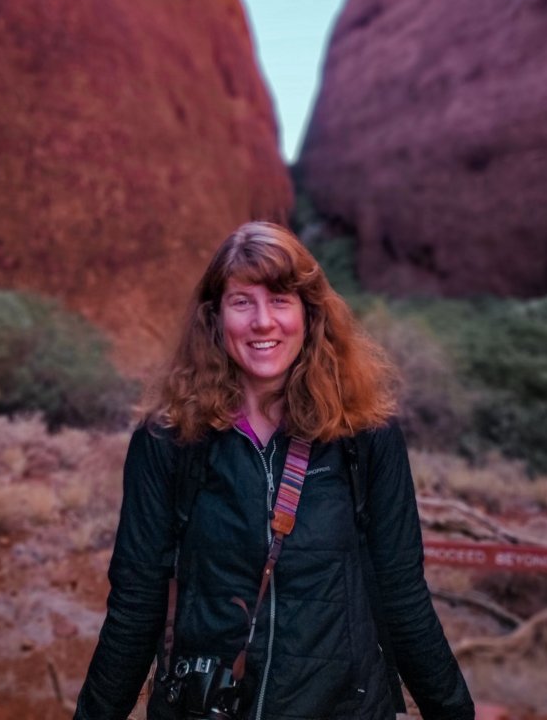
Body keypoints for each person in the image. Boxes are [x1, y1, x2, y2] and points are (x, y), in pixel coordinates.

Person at [74, 221, 474, 720]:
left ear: (309, 314)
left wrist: (455, 711)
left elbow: (403, 594)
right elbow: (136, 604)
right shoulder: (170, 441)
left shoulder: (365, 438)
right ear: (216, 318)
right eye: (242, 302)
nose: (263, 321)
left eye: (281, 300)